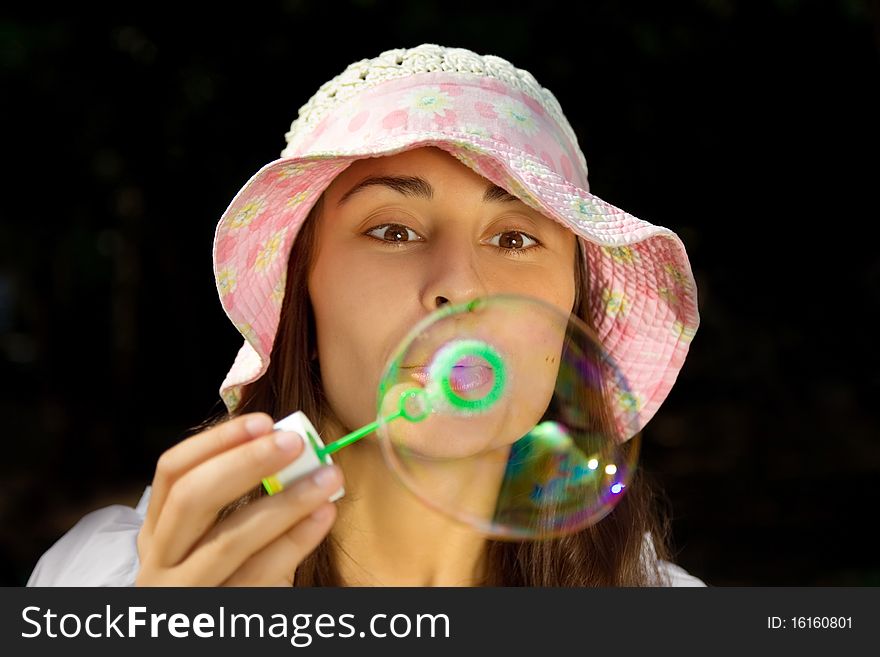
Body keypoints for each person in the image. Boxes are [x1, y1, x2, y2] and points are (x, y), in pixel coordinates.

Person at [27, 44, 705, 587]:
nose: (458, 287)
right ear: (300, 296)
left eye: (515, 239)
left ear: (569, 314)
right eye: (393, 231)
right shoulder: (109, 583)